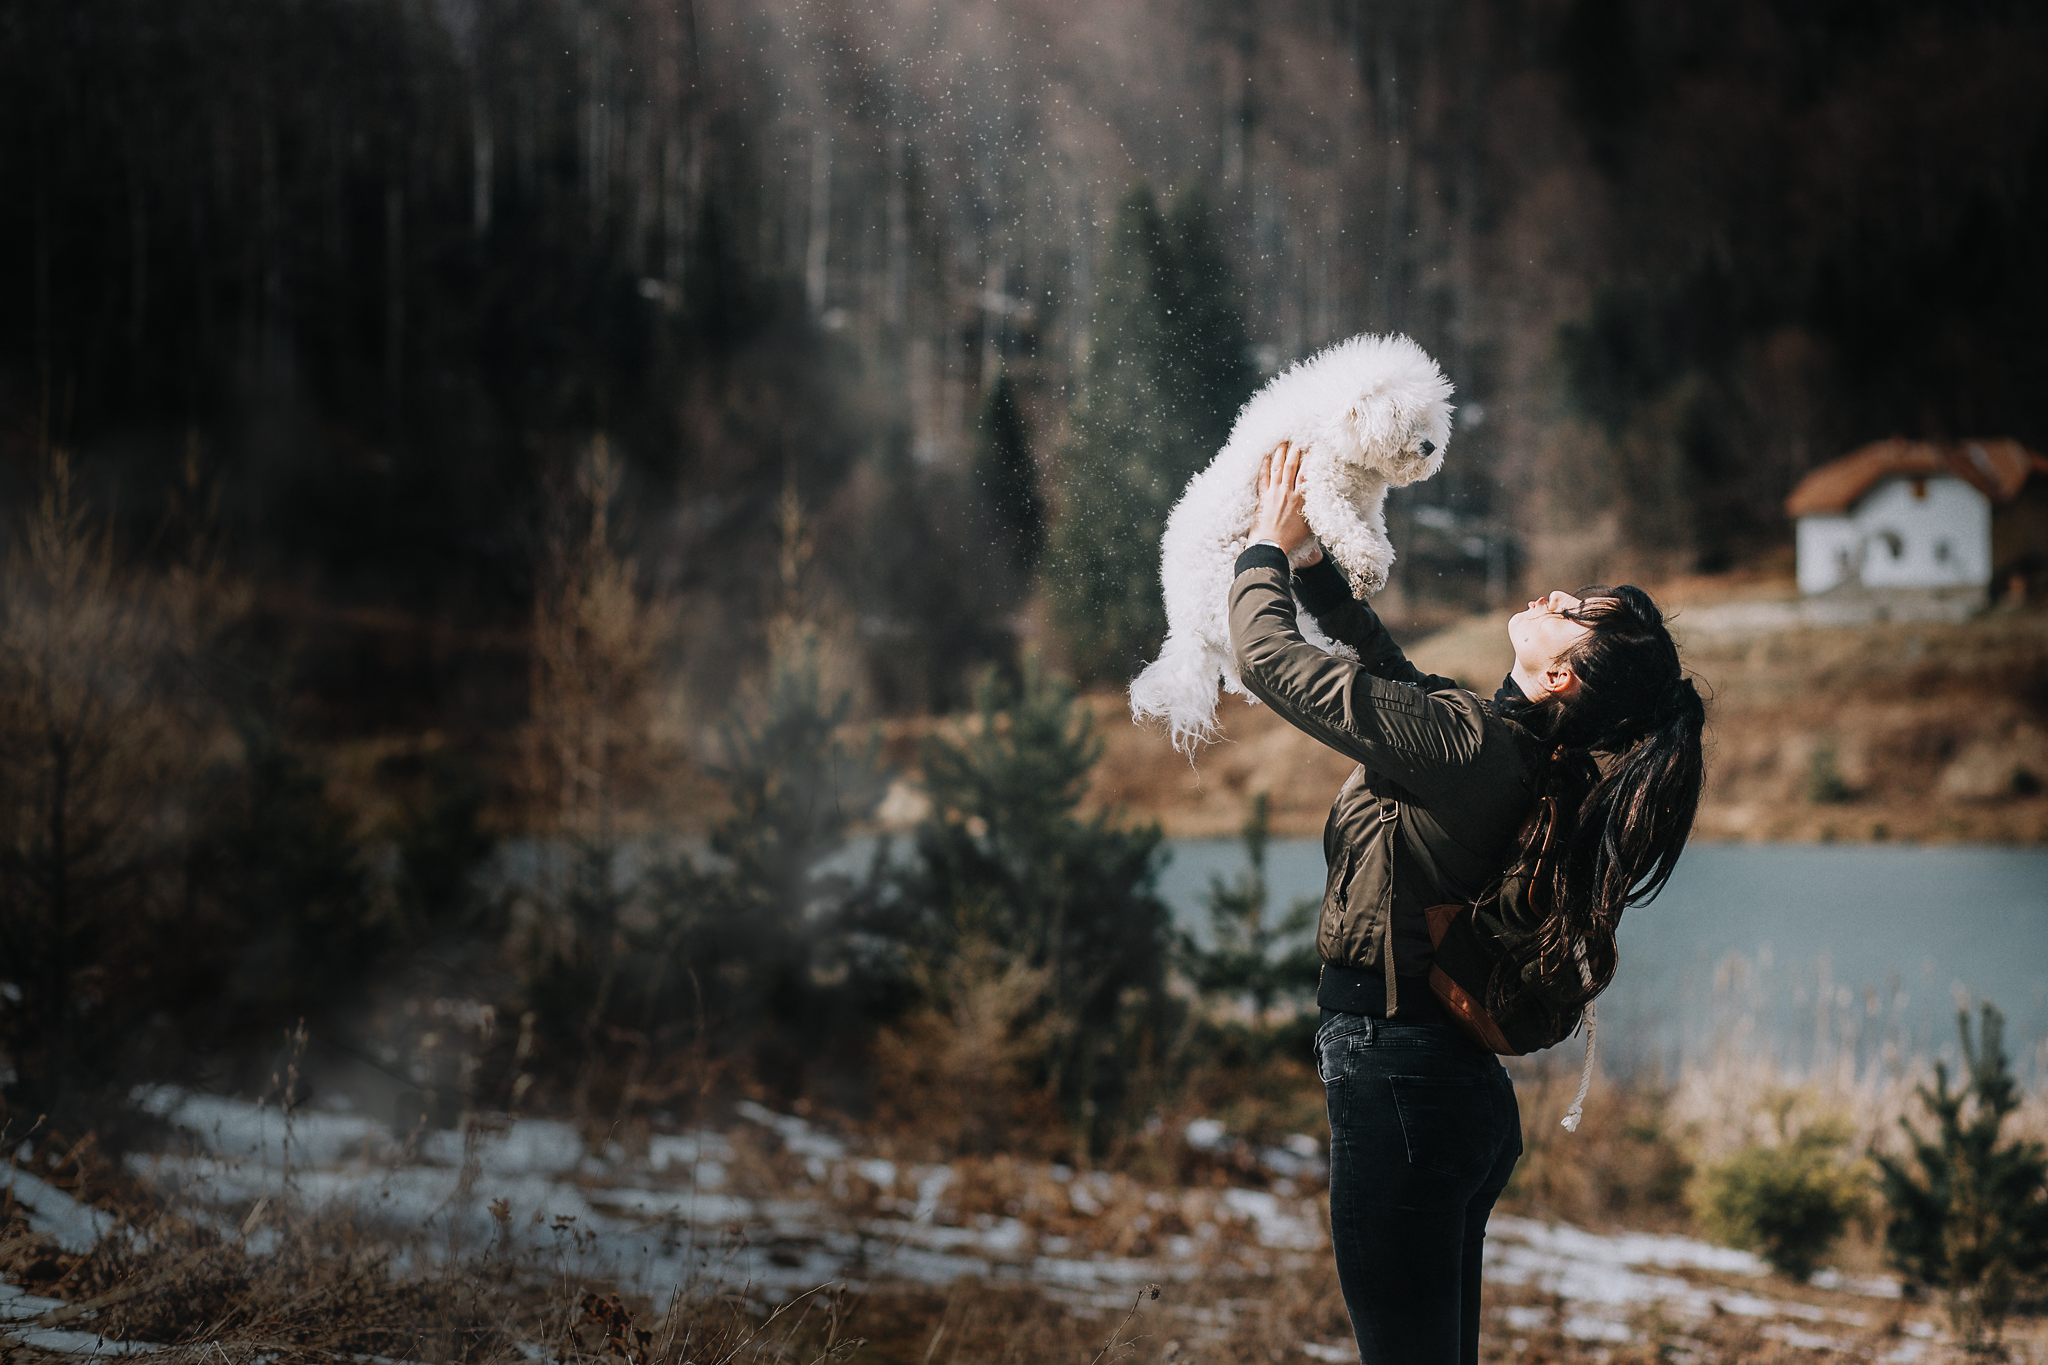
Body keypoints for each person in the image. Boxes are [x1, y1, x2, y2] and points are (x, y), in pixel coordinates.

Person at [1229, 442, 1706, 1363]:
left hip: (1401, 1081)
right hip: (1440, 1091)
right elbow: (1397, 683)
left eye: (1575, 615)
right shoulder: (1520, 753)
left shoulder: (1479, 748)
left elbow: (1266, 661)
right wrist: (1315, 569)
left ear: (1562, 676)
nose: (1557, 596)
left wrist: (1261, 550)